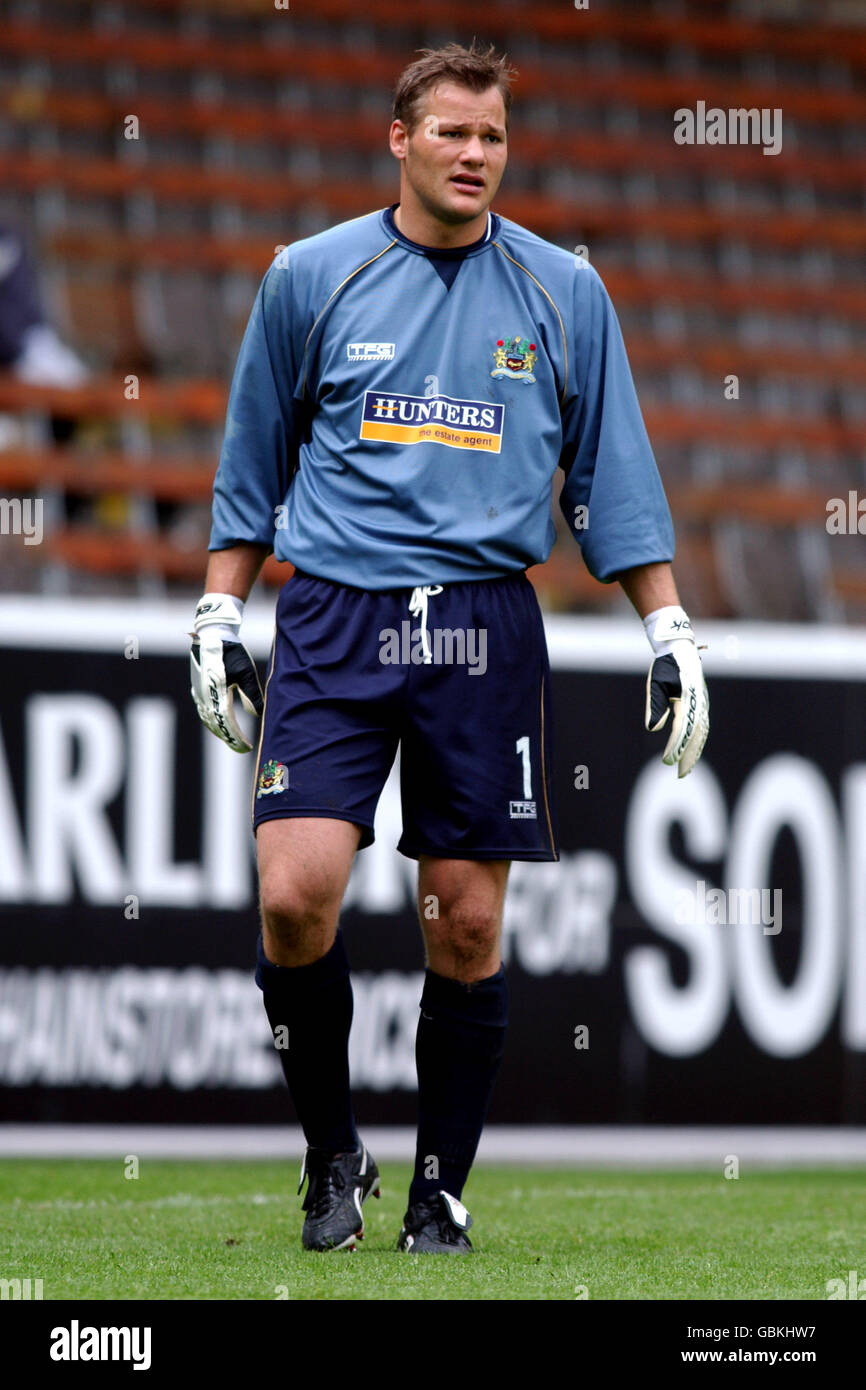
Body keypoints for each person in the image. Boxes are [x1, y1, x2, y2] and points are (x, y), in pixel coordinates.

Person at [190, 41, 709, 1256]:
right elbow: (251, 460)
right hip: (332, 616)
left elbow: (612, 481)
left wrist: (667, 627)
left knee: (463, 923)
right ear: (400, 140)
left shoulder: (562, 292)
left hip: (483, 623)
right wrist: (218, 610)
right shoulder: (310, 277)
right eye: (451, 134)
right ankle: (331, 1153)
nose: (474, 156)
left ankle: (439, 1189)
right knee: (292, 895)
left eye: (491, 138)